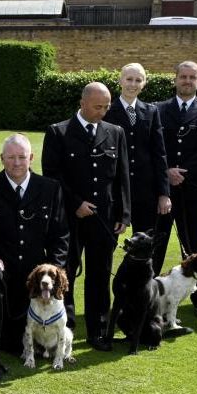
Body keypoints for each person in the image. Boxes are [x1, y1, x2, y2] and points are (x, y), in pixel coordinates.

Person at [0, 134, 69, 380]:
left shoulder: (50, 188)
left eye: (21, 157)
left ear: (31, 158)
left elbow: (61, 236)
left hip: (33, 279)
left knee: (15, 342)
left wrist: (54, 270)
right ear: (2, 159)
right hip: (0, 274)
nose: (17, 163)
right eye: (11, 158)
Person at [42, 82, 130, 351]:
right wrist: (76, 203)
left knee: (100, 274)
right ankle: (64, 328)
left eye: (106, 107)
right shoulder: (59, 132)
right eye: (97, 107)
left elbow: (122, 177)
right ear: (82, 103)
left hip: (103, 218)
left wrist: (123, 214)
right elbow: (52, 176)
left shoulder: (115, 132)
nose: (102, 112)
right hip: (69, 217)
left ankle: (99, 329)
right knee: (66, 273)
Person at [153, 61, 197, 275]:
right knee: (155, 243)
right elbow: (152, 146)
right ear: (175, 80)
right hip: (162, 189)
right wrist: (167, 171)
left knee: (196, 244)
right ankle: (146, 296)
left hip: (195, 189)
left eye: (193, 77)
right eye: (183, 76)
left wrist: (181, 172)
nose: (187, 81)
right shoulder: (157, 109)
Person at [103, 63, 171, 235]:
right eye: (129, 79)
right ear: (120, 80)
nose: (133, 84)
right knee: (107, 243)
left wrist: (164, 193)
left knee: (146, 244)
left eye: (138, 80)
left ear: (144, 84)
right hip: (114, 190)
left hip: (146, 191)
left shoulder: (151, 111)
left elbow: (159, 154)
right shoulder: (107, 111)